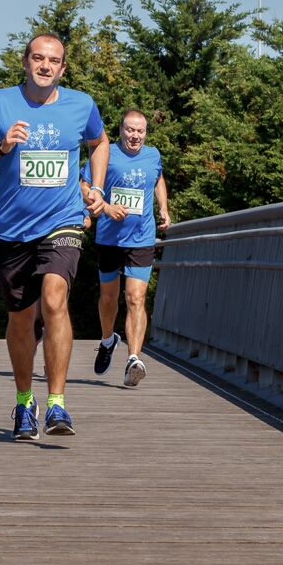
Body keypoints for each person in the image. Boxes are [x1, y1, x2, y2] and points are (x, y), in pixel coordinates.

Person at [0, 32, 108, 440]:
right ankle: (25, 401)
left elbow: (98, 142)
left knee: (55, 298)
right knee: (22, 322)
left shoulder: (82, 105)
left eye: (53, 60)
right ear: (25, 62)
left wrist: (95, 188)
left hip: (63, 222)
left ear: (63, 67)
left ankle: (57, 404)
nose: (45, 66)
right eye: (38, 58)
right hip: (12, 231)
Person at [80, 109, 170, 386]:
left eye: (140, 131)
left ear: (146, 132)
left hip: (142, 237)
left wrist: (163, 207)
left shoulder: (153, 155)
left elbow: (158, 179)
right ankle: (108, 341)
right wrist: (105, 207)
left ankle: (134, 358)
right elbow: (84, 185)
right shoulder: (106, 154)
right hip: (109, 238)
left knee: (135, 299)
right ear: (120, 130)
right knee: (109, 298)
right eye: (130, 130)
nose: (135, 136)